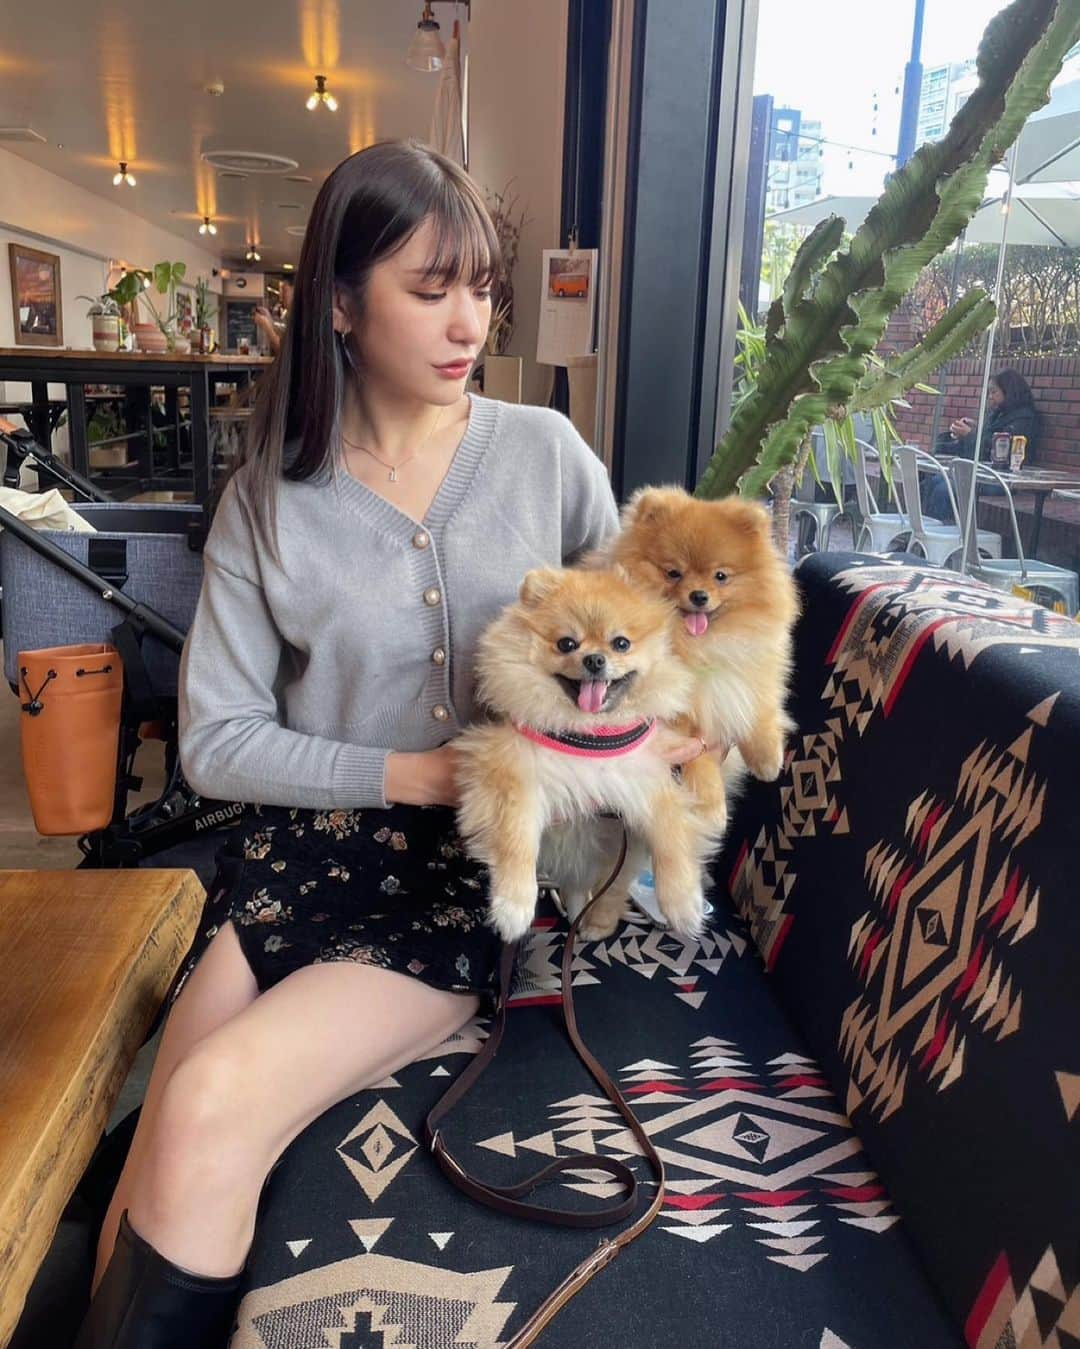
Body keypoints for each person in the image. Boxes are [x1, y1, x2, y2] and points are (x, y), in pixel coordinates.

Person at [74, 138, 710, 1349]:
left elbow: (651, 640)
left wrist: (655, 725)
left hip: (462, 875)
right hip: (298, 863)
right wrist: (401, 769)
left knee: (208, 1100)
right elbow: (215, 741)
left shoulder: (543, 454)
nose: (470, 320)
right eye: (432, 288)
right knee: (143, 1166)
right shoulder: (271, 497)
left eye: (482, 287)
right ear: (341, 304)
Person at [924, 367, 1039, 522]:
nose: (990, 397)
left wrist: (971, 435)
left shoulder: (1024, 419)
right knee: (933, 480)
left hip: (1001, 479)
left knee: (944, 489)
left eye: (994, 392)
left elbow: (1000, 448)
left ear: (1009, 391)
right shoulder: (998, 413)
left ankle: (937, 536)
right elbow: (987, 438)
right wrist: (974, 429)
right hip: (983, 472)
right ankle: (929, 530)